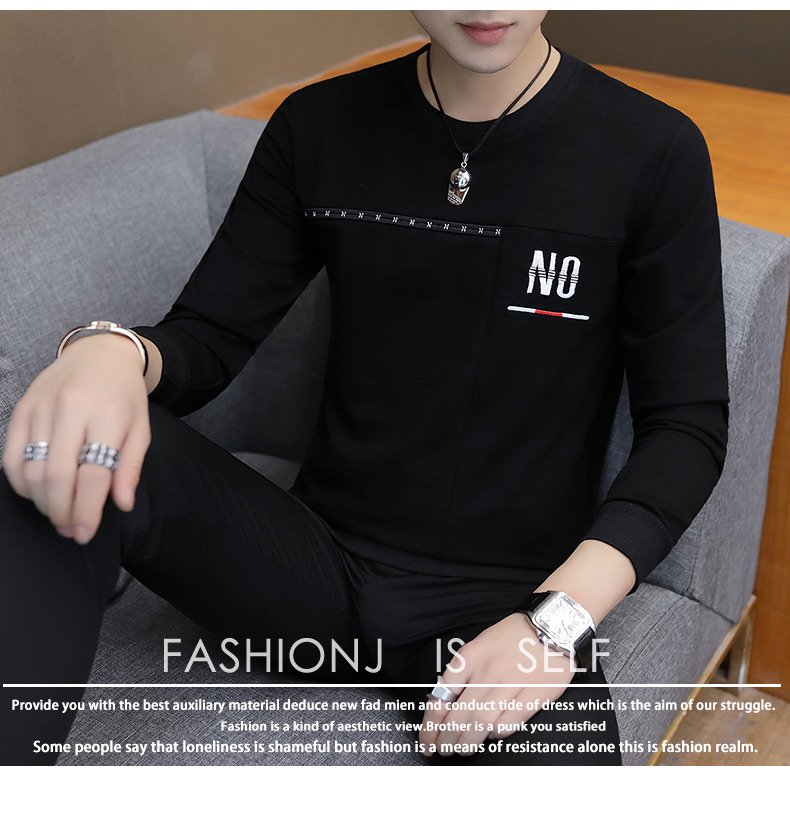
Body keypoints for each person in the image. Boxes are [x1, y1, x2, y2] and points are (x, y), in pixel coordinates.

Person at [0, 10, 728, 766]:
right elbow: (207, 338)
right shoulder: (320, 125)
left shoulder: (652, 149)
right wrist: (109, 352)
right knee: (65, 440)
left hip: (501, 605)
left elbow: (687, 429)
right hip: (309, 570)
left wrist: (554, 624)